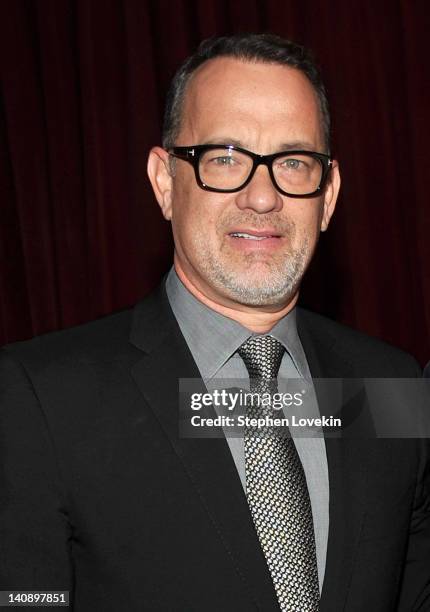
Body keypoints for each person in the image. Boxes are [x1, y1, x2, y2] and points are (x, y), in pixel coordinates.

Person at [1, 34, 429, 612]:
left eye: (294, 162)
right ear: (164, 182)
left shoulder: (394, 386)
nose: (261, 196)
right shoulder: (39, 398)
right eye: (224, 157)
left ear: (327, 196)